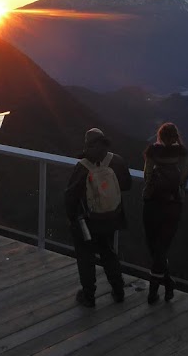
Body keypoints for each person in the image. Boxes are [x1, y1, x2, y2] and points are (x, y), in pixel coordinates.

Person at [64, 128, 133, 307]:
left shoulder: (83, 166)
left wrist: (72, 219)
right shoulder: (116, 161)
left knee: (86, 256)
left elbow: (71, 196)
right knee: (108, 252)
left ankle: (89, 296)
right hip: (111, 217)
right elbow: (127, 184)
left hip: (88, 220)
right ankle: (118, 290)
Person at [142, 122, 188, 304]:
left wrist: (152, 187)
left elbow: (147, 173)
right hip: (173, 203)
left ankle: (154, 290)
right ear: (176, 136)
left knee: (154, 246)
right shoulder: (182, 152)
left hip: (152, 202)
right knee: (162, 247)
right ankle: (167, 284)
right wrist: (178, 189)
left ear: (160, 136)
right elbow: (185, 174)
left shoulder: (152, 151)